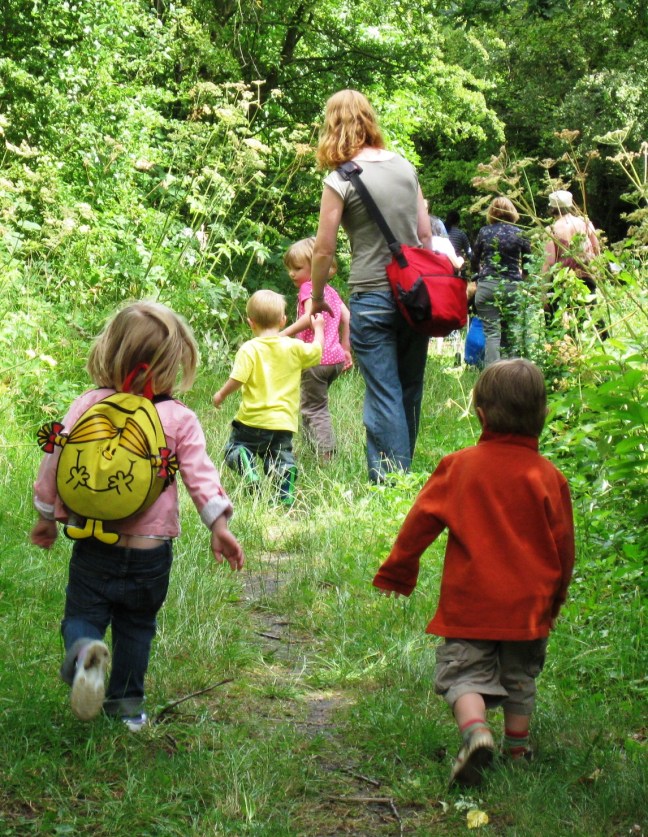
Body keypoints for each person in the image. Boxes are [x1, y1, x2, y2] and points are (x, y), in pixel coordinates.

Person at [30, 301, 244, 730]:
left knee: (82, 617)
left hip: (93, 543)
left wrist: (46, 515)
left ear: (109, 352)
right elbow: (201, 478)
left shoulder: (88, 404)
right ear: (173, 363)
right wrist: (218, 526)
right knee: (137, 627)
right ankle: (127, 707)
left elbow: (55, 461)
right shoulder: (179, 418)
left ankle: (84, 653)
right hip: (150, 553)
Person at [373, 359, 575, 787]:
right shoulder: (549, 477)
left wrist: (398, 571)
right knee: (520, 676)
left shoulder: (459, 466)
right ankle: (517, 750)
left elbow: (420, 523)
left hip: (472, 601)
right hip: (528, 606)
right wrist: (554, 602)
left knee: (463, 673)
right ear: (542, 415)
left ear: (480, 414)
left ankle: (476, 733)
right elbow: (564, 549)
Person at [309, 89, 433, 483]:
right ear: (369, 119)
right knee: (409, 386)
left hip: (373, 295)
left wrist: (316, 299)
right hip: (415, 295)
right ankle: (405, 475)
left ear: (333, 126)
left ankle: (392, 481)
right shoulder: (405, 167)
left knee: (383, 391)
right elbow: (426, 237)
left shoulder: (339, 179)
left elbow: (323, 250)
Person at [213, 289, 324, 504]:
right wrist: (318, 328)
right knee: (278, 459)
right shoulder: (294, 346)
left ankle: (244, 460)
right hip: (283, 423)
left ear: (250, 322)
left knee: (233, 449)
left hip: (251, 421)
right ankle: (284, 492)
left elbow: (238, 379)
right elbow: (317, 351)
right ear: (283, 321)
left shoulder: (249, 349)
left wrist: (221, 394)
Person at [280, 237, 352, 462]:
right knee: (313, 404)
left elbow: (309, 317)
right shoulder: (330, 291)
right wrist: (345, 348)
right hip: (335, 360)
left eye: (297, 268)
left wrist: (280, 334)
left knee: (313, 408)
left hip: (316, 359)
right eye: (289, 268)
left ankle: (326, 454)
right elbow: (348, 317)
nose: (292, 273)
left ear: (315, 268)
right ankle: (315, 448)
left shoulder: (308, 287)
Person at [472, 197, 531, 366]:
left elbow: (474, 260)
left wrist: (478, 275)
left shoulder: (484, 231)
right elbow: (528, 262)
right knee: (511, 332)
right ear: (512, 212)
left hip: (487, 286)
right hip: (513, 286)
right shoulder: (520, 233)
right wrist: (523, 278)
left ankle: (492, 378)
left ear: (491, 212)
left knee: (492, 333)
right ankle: (511, 376)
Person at [541, 189, 605, 337]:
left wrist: (543, 292)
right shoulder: (585, 223)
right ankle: (602, 341)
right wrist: (598, 273)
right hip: (586, 273)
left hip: (563, 281)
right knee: (592, 312)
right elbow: (597, 250)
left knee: (561, 318)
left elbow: (549, 262)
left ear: (551, 209)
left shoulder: (551, 230)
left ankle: (566, 349)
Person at [445, 209, 473, 278]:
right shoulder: (461, 234)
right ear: (458, 221)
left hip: (442, 266)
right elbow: (469, 252)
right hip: (457, 268)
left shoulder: (441, 233)